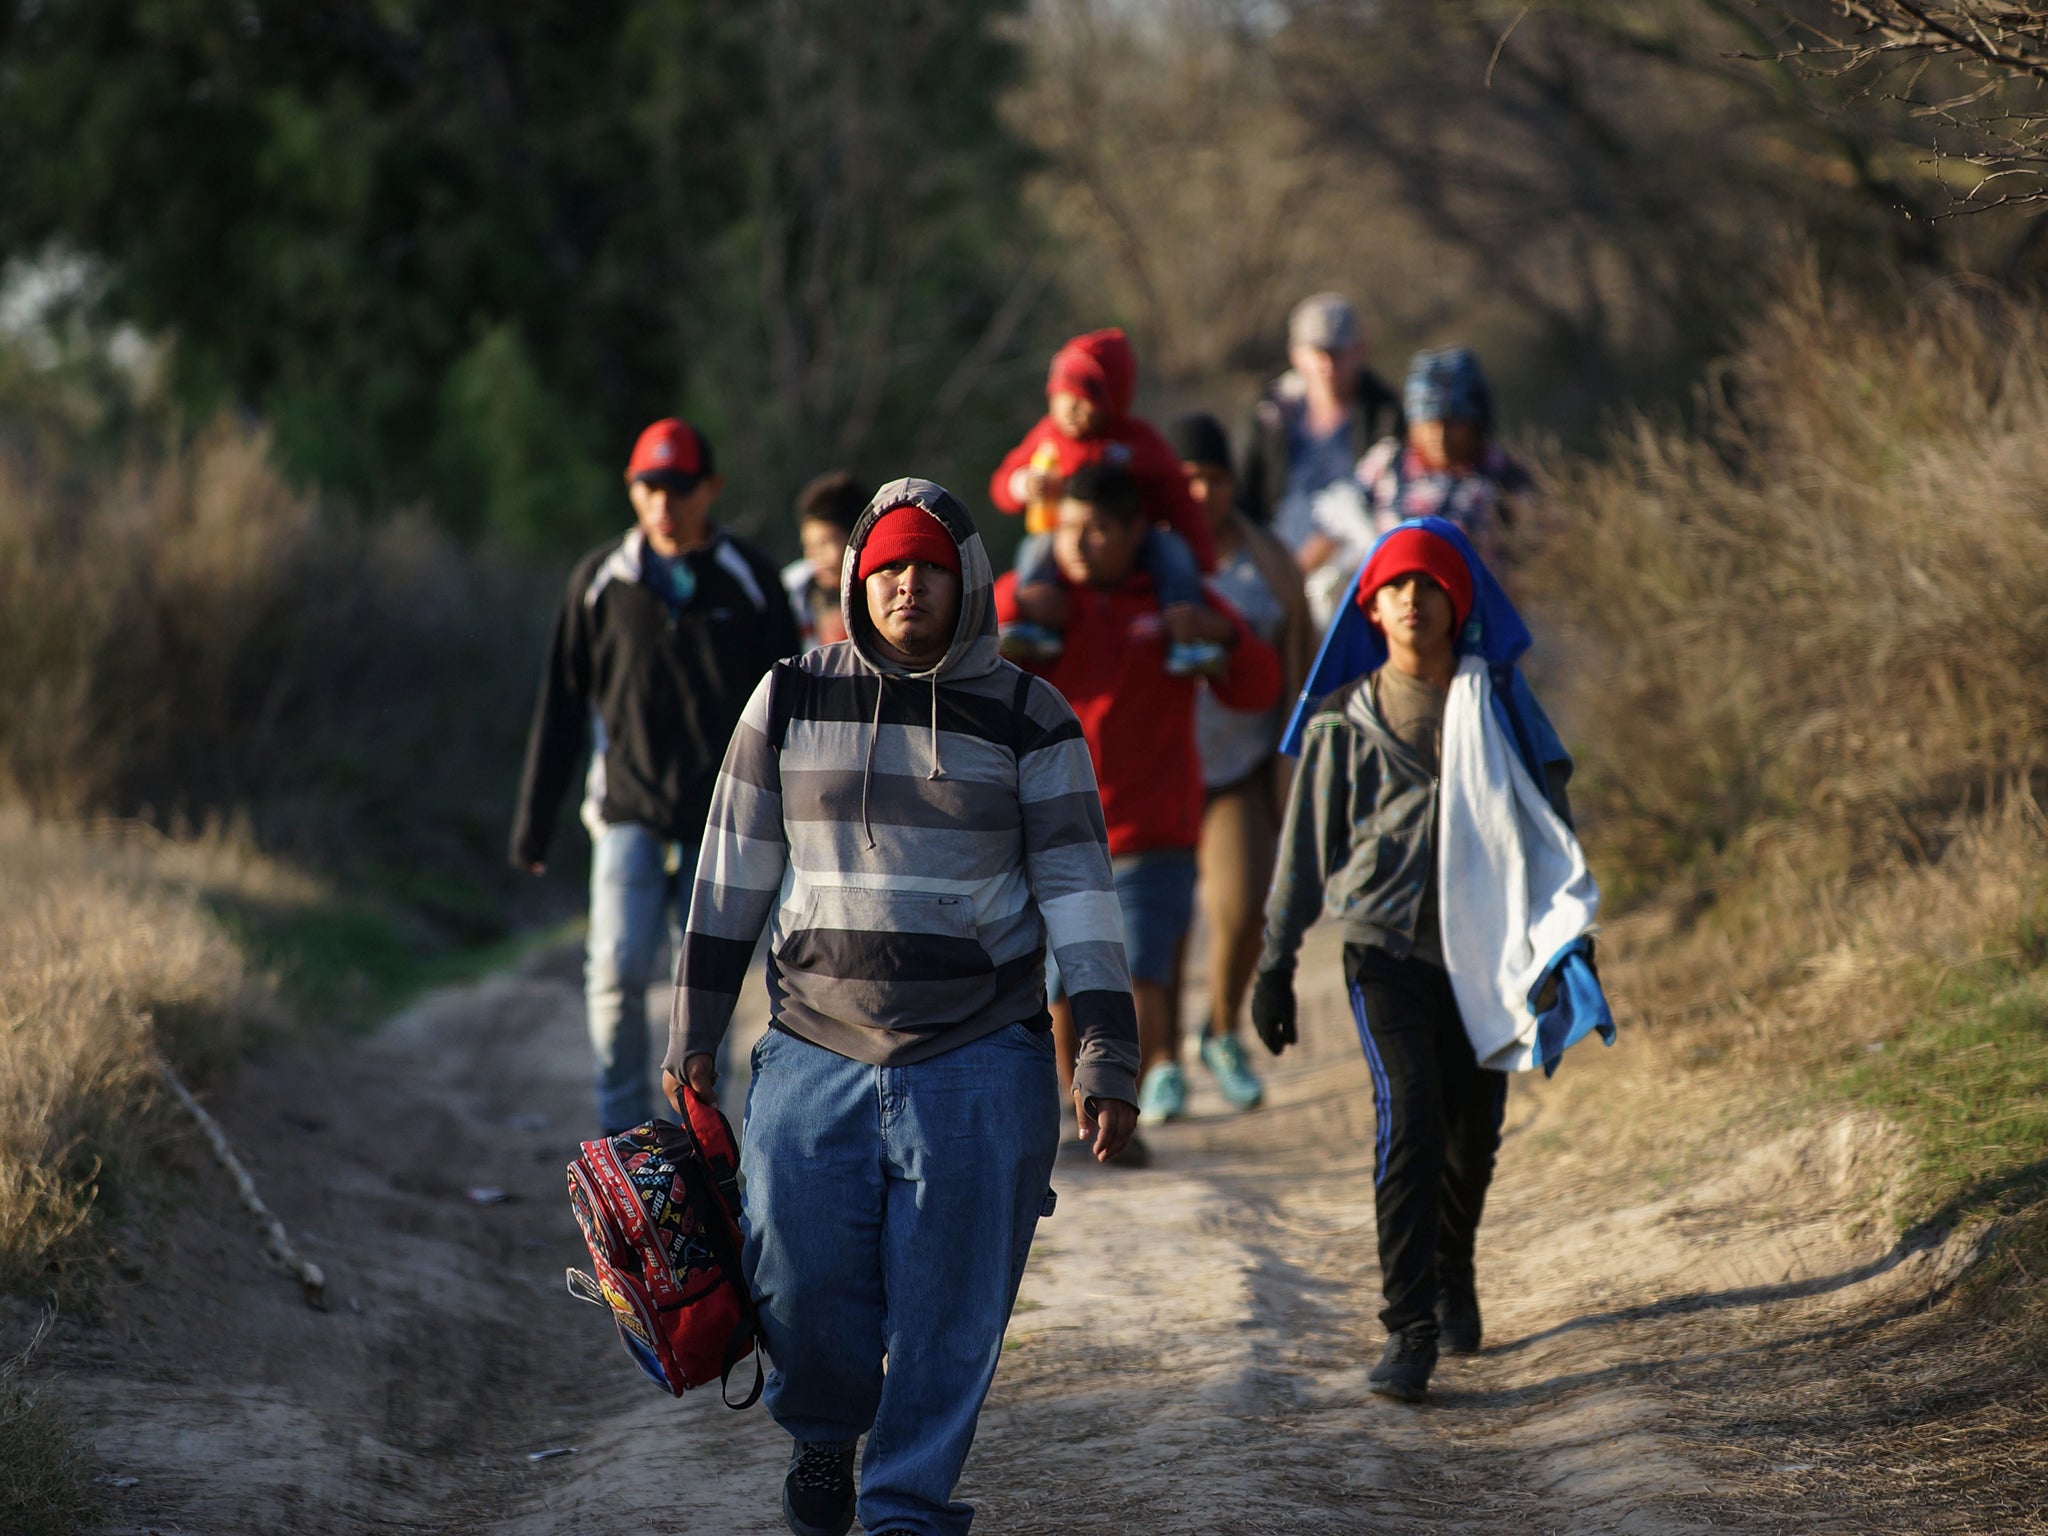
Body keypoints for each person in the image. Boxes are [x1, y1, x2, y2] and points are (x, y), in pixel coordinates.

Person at [665, 478, 1141, 1536]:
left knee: (949, 1321)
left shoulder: (1032, 716)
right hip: (809, 1051)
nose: (906, 586)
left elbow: (1077, 894)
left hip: (979, 1056)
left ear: (966, 578)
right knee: (800, 1288)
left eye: (928, 566)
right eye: (885, 567)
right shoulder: (786, 697)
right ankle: (825, 1437)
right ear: (853, 580)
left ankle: (904, 1511)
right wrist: (695, 1029)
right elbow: (729, 873)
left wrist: (1104, 1050)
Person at [1250, 518, 1610, 1403]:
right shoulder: (1346, 724)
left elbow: (1548, 827)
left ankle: (1453, 1267)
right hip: (1385, 953)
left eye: (1430, 585)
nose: (1412, 599)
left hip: (1489, 955)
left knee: (1472, 1131)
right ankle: (1409, 1327)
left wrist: (1569, 933)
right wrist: (1275, 960)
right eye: (1394, 587)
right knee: (1409, 1117)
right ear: (1369, 607)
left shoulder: (1500, 706)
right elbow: (1305, 853)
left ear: (1460, 604)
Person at [510, 417, 800, 1135]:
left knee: (706, 984)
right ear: (631, 492)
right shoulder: (600, 582)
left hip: (723, 820)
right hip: (628, 810)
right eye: (648, 488)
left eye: (678, 488)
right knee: (615, 970)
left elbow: (796, 708)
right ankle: (624, 1140)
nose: (663, 504)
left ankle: (699, 1141)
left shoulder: (754, 583)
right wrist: (534, 821)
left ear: (712, 489)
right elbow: (562, 704)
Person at [994, 461, 1282, 1139]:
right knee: (1062, 985)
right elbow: (970, 630)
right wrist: (1018, 611)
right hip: (1055, 831)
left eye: (1097, 531)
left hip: (1155, 831)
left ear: (1134, 535)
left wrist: (1220, 635)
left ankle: (1127, 1115)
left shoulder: (1175, 602)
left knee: (1141, 977)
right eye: (1067, 529)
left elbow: (1257, 686)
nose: (1079, 544)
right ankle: (1079, 1116)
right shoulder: (1042, 603)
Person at [1168, 412, 1312, 1114]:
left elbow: (1303, 652)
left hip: (1242, 766)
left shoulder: (1267, 559)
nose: (1202, 492)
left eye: (1216, 478)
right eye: (1189, 478)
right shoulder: (1149, 555)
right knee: (1154, 924)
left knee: (1243, 906)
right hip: (1157, 769)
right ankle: (1155, 1059)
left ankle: (1221, 1030)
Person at [989, 327, 1223, 675]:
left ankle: (1184, 641)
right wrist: (1024, 485)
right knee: (1035, 551)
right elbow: (1003, 482)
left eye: (1085, 400)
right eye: (1061, 397)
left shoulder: (1138, 442)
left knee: (1172, 552)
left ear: (1113, 400)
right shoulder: (1047, 437)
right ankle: (1037, 628)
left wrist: (1201, 556)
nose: (1070, 410)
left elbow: (1178, 497)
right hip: (1059, 540)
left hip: (1137, 540)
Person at [1238, 292, 1403, 623]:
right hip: (1277, 561)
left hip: (1354, 562)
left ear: (1360, 352)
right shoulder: (1271, 416)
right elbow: (1247, 502)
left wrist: (1307, 566)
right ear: (1296, 355)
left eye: (1338, 353)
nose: (1327, 365)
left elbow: (1384, 505)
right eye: (1317, 352)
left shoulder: (1387, 417)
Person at [1360, 346, 1533, 570]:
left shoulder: (1506, 476)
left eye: (1452, 424)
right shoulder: (1385, 464)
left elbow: (1539, 549)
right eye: (1429, 423)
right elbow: (1340, 517)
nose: (1439, 436)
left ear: (1475, 423)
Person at [781, 470, 865, 650]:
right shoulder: (791, 594)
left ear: (859, 537)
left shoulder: (888, 595)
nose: (813, 557)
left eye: (824, 543)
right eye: (808, 546)